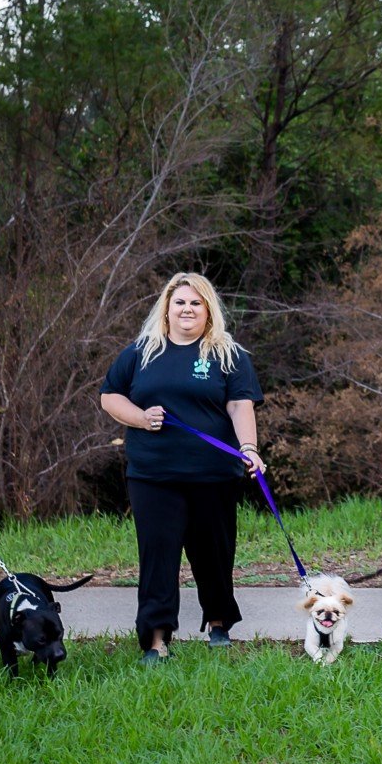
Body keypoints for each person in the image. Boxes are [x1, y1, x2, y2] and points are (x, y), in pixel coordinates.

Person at [100, 272, 266, 665]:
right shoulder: (141, 352)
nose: (187, 309)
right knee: (158, 555)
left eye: (196, 303)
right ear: (167, 308)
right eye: (180, 303)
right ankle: (156, 639)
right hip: (153, 475)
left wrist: (248, 447)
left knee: (214, 553)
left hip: (213, 475)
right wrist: (141, 418)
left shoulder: (228, 355)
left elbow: (240, 405)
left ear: (208, 310)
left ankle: (219, 620)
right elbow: (110, 396)